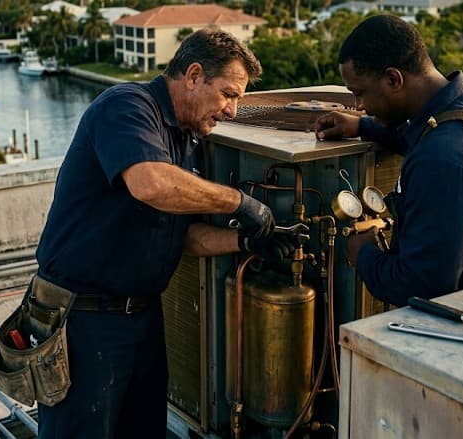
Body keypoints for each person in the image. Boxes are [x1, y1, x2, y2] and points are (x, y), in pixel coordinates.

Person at [35, 28, 302, 438]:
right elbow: (152, 185)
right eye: (228, 94)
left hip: (140, 318)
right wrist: (240, 203)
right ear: (194, 75)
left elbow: (183, 236)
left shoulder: (184, 137)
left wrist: (248, 242)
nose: (232, 111)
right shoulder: (126, 107)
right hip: (83, 319)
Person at [313, 14, 463, 306]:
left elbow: (421, 286)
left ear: (393, 79)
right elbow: (426, 132)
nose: (360, 106)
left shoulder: (441, 160)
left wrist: (362, 252)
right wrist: (363, 127)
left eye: (360, 93)